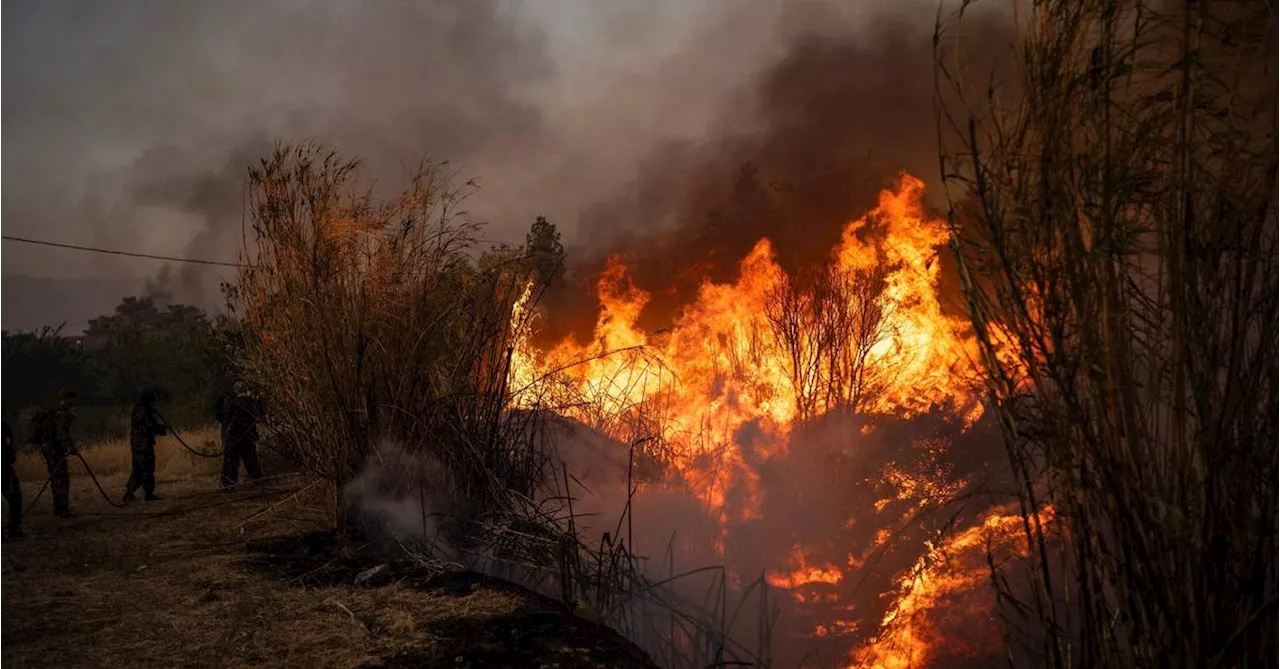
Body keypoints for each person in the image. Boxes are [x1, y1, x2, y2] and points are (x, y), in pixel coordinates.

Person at [31, 390, 77, 518]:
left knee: (58, 479)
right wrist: (71, 448)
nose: (74, 402)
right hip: (54, 452)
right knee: (61, 480)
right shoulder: (61, 414)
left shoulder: (57, 412)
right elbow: (62, 434)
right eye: (72, 398)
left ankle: (60, 508)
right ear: (67, 398)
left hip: (52, 451)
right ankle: (61, 510)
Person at [123, 387, 168, 503]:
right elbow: (148, 428)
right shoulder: (144, 411)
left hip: (137, 445)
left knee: (138, 470)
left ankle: (129, 493)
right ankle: (148, 493)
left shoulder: (138, 410)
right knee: (148, 468)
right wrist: (162, 429)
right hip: (144, 445)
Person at [215, 381, 262, 489]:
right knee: (250, 461)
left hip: (235, 438)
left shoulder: (232, 402)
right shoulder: (250, 402)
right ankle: (258, 481)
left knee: (232, 461)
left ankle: (228, 484)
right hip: (245, 437)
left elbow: (224, 419)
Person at [0, 404, 22, 539]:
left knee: (15, 498)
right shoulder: (2, 426)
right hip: (4, 468)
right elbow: (8, 445)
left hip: (5, 467)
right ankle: (13, 529)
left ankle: (12, 529)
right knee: (14, 497)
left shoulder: (3, 425)